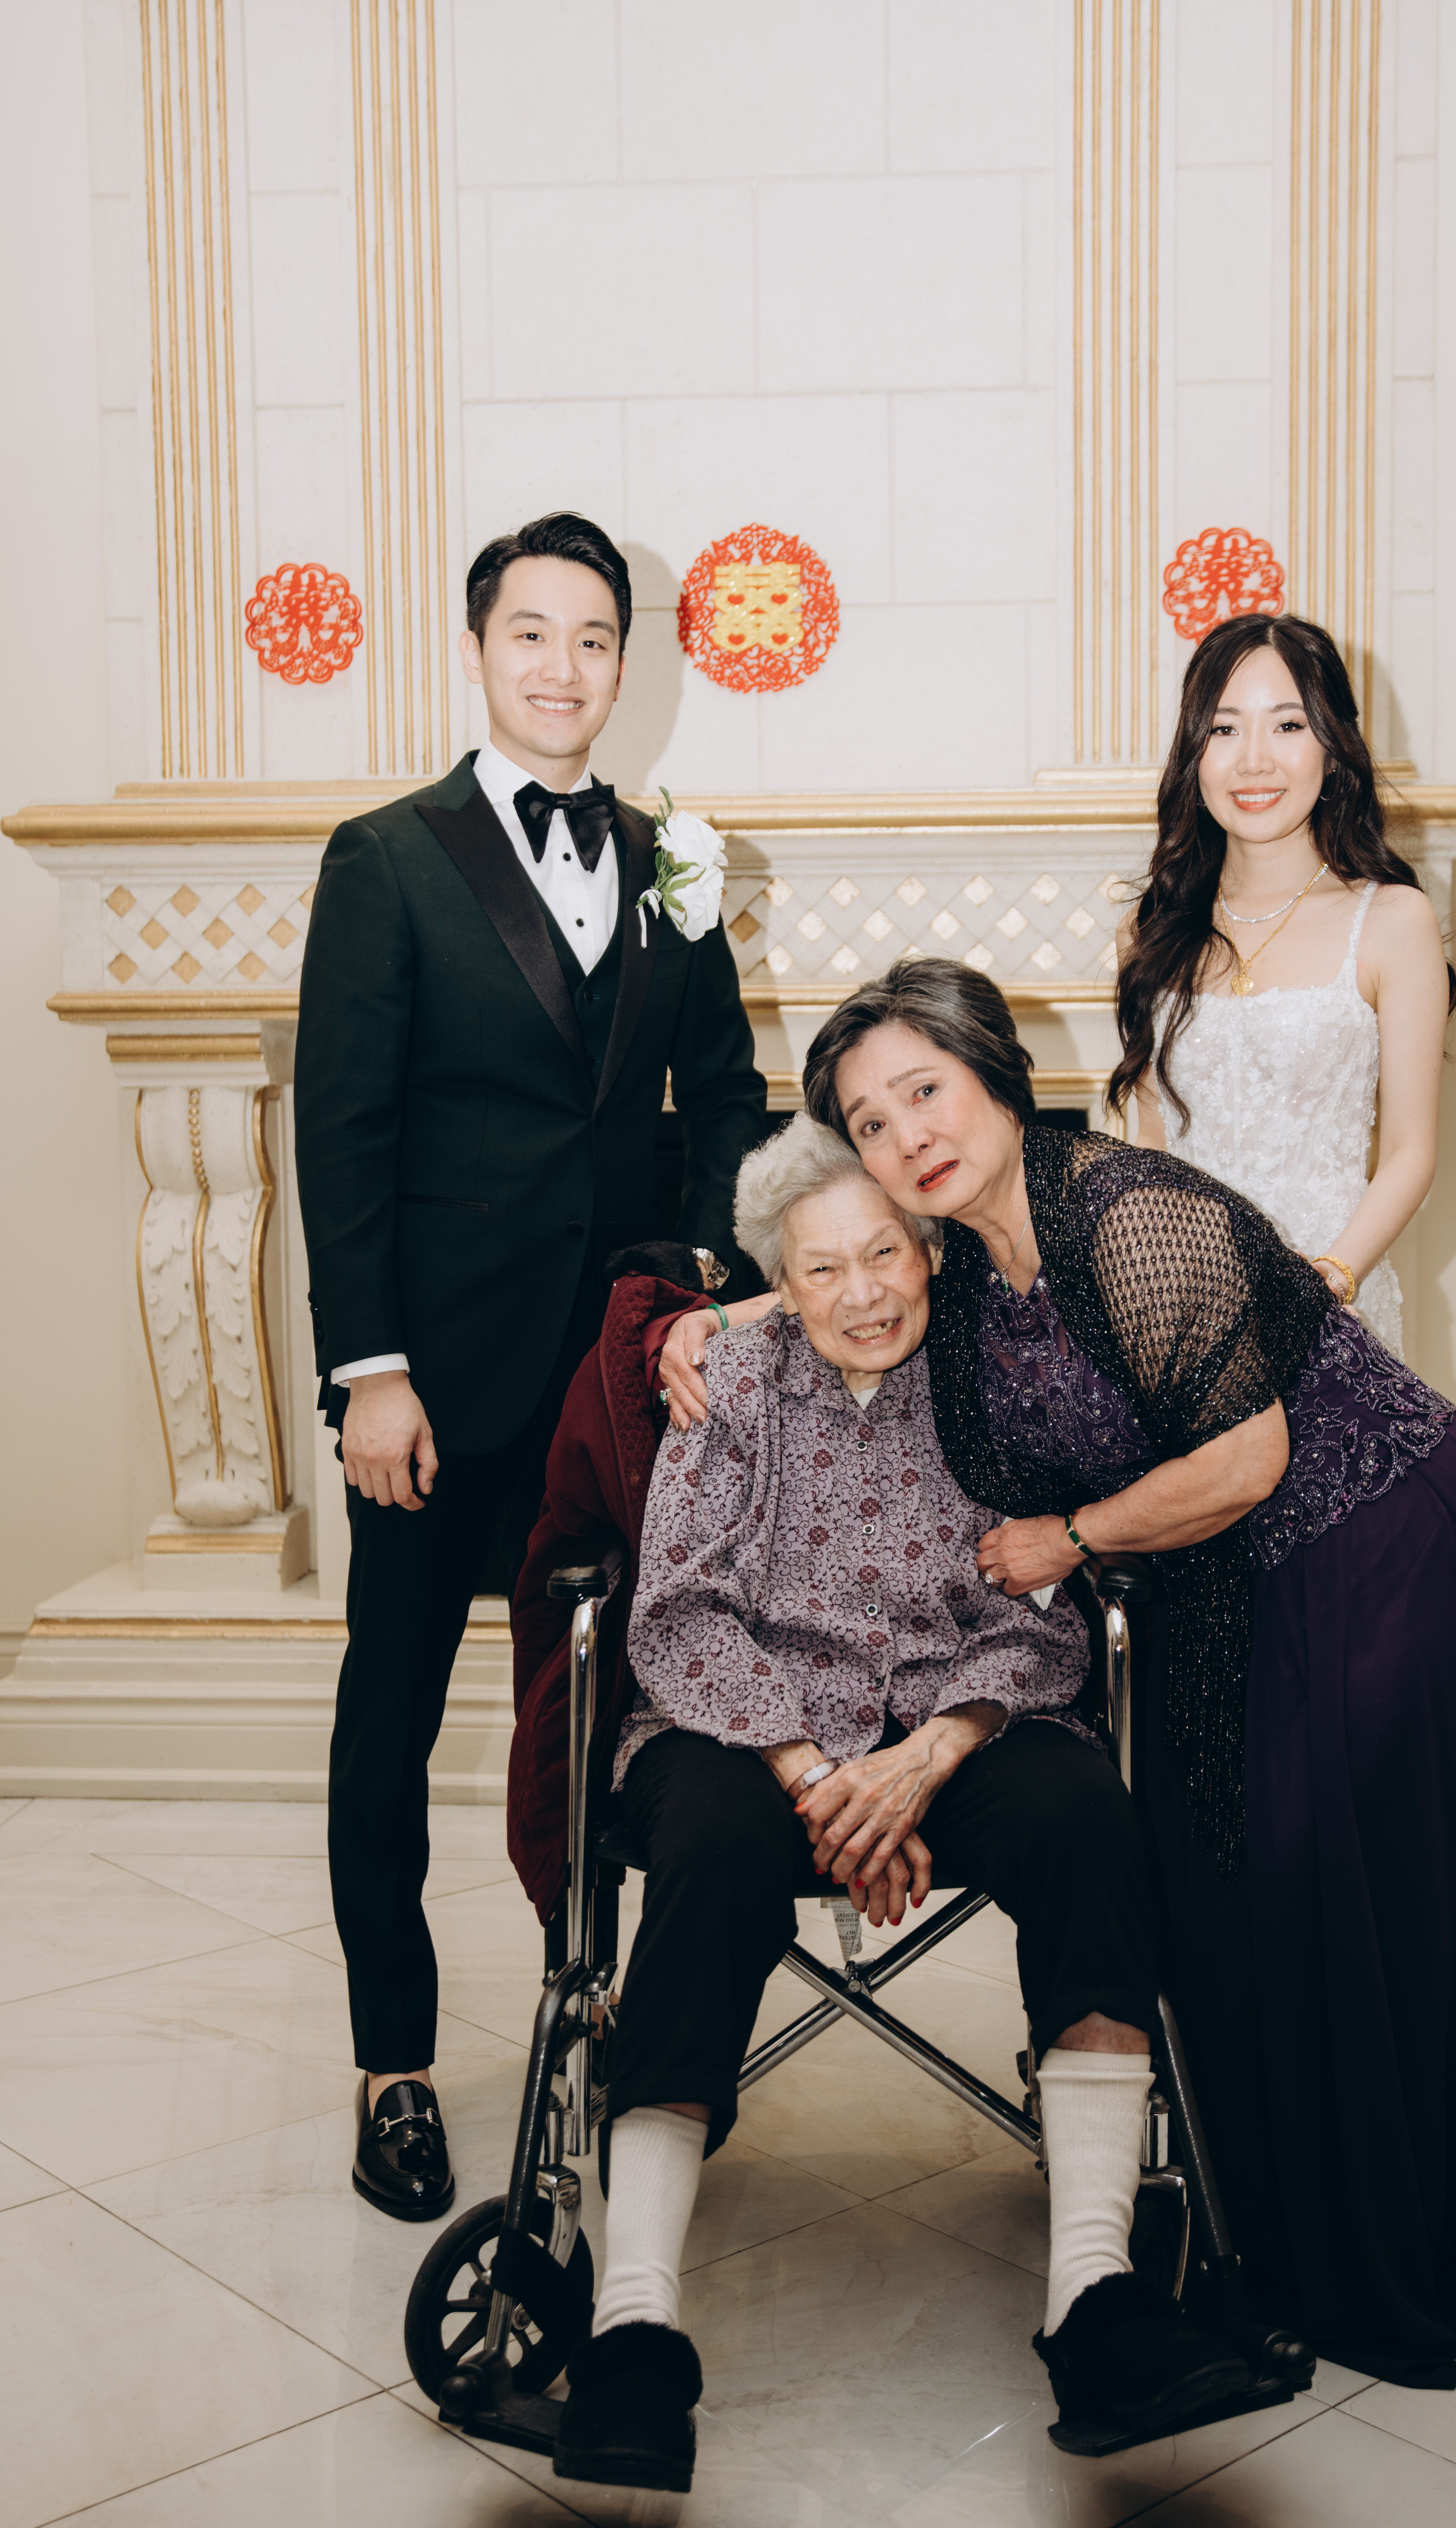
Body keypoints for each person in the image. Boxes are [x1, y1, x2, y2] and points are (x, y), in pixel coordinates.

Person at [663, 958, 1456, 2390]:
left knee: (1353, 1885)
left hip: (1376, 1534)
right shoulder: (970, 1254)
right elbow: (842, 1291)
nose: (907, 1137)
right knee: (1223, 1887)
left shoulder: (1125, 1214)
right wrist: (702, 1322)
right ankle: (1290, 2229)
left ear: (995, 1075)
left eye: (924, 1091)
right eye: (871, 1123)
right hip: (1232, 1574)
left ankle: (1423, 2241)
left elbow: (1247, 1460)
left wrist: (1064, 1539)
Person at [554, 1117, 1254, 2496]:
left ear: (930, 1249)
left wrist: (926, 1757)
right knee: (710, 1850)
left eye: (885, 1253)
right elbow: (678, 1608)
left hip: (957, 1711)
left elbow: (1039, 1608)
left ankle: (1096, 2293)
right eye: (823, 1269)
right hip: (744, 1725)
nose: (863, 1292)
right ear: (778, 1284)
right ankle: (632, 2321)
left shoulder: (995, 1380)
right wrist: (817, 1776)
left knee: (1083, 1819)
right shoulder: (727, 1379)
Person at [294, 510, 766, 2220]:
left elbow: (726, 1094)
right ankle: (394, 2063)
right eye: (530, 634)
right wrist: (372, 1369)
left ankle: (601, 2015)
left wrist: (699, 1274)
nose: (563, 667)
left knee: (609, 1716)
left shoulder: (672, 858)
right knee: (392, 1716)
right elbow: (343, 1132)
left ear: (625, 664)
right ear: (477, 649)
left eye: (593, 638)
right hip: (436, 1386)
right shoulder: (386, 857)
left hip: (624, 1385)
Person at [1114, 611, 1455, 1355]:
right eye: (1223, 729)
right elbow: (1151, 1142)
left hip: (1333, 1301)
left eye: (1288, 725)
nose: (1253, 761)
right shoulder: (1150, 932)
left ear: (1332, 749)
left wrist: (1327, 1279)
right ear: (1193, 753)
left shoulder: (1393, 920)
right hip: (1191, 1313)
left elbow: (1409, 1151)